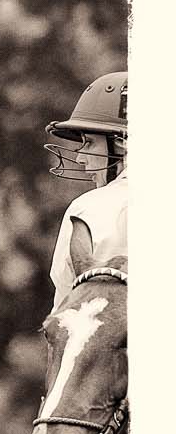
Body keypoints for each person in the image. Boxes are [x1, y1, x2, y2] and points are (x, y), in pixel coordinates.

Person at [43, 70, 127, 302]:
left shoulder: (87, 208)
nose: (80, 157)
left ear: (122, 144)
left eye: (89, 142)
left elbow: (64, 313)